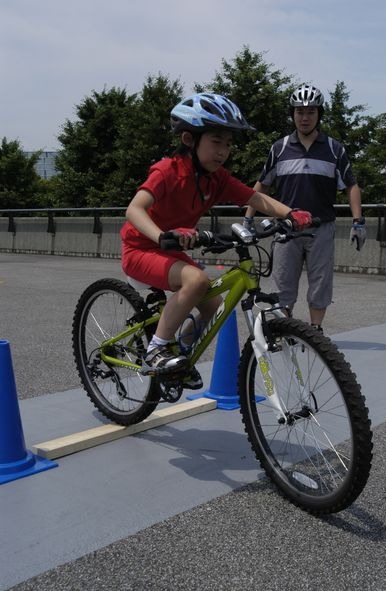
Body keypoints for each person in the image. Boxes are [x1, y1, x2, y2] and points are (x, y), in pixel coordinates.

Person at [121, 92, 313, 388]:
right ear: (189, 139)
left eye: (228, 143)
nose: (223, 150)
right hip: (141, 249)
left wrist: (291, 213)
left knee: (214, 307)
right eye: (216, 141)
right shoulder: (167, 171)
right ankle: (156, 349)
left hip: (172, 252)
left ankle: (179, 355)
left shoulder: (217, 178)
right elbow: (134, 209)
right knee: (196, 281)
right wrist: (163, 236)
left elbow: (254, 196)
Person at [244, 84, 366, 332]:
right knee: (283, 284)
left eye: (311, 112)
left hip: (321, 227)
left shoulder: (334, 149)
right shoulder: (279, 148)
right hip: (285, 228)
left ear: (319, 114)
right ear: (293, 115)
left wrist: (358, 221)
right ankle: (288, 329)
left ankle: (315, 330)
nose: (305, 117)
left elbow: (351, 186)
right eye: (299, 112)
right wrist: (247, 219)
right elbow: (262, 185)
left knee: (320, 284)